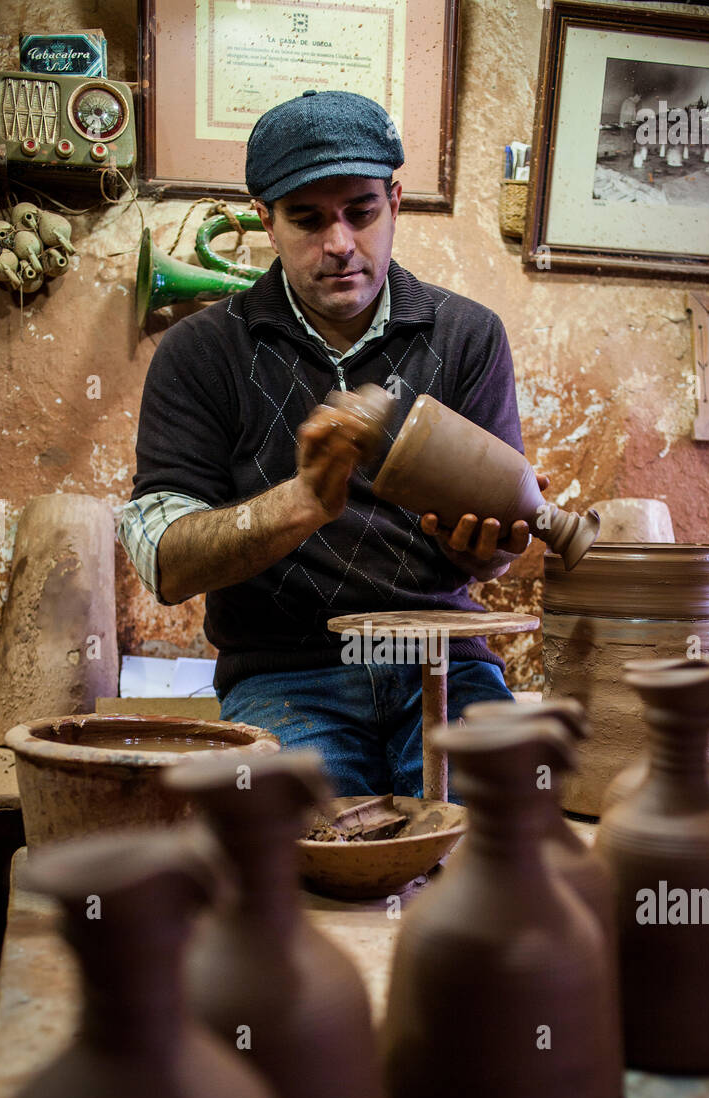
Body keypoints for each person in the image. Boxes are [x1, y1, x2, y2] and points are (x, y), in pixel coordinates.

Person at [119, 90, 546, 797]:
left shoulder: (468, 336)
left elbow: (499, 551)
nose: (340, 244)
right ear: (266, 219)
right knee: (296, 856)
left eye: (361, 212)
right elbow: (165, 565)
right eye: (308, 219)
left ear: (397, 202)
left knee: (502, 830)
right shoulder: (200, 352)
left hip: (443, 657)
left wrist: (491, 550)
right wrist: (303, 503)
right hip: (286, 672)